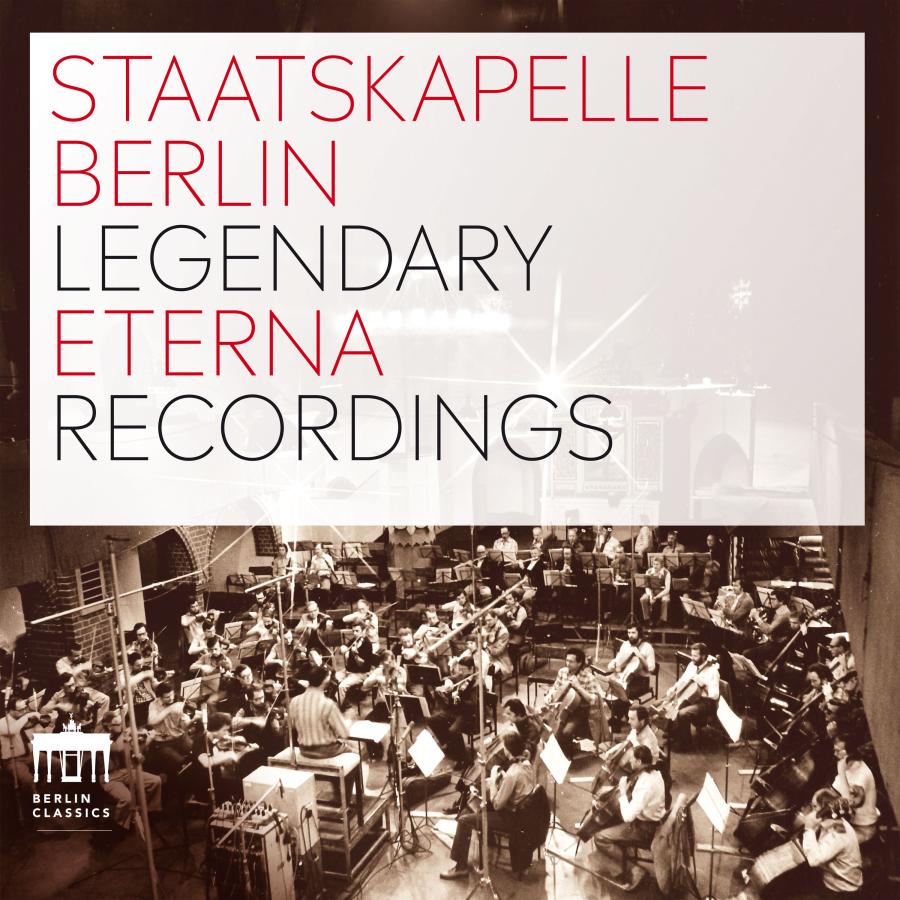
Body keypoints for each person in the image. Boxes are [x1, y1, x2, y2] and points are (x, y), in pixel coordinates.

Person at [440, 730, 535, 880]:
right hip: (523, 814)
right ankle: (488, 839)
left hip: (511, 818)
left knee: (464, 820)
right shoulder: (527, 764)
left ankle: (460, 867)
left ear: (508, 750)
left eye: (504, 747)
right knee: (470, 809)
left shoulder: (512, 774)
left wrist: (493, 781)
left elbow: (497, 804)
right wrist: (501, 779)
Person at [591, 744, 666, 891]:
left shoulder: (645, 784)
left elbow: (627, 817)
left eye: (632, 760)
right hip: (653, 820)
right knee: (613, 822)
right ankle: (622, 857)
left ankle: (633, 870)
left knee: (600, 837)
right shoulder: (656, 773)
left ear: (639, 762)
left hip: (645, 829)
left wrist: (623, 792)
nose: (630, 762)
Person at [98, 710, 163, 833]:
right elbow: (118, 748)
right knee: (127, 799)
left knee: (155, 781)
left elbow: (136, 756)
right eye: (119, 724)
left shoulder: (123, 737)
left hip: (126, 771)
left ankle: (145, 813)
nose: (123, 726)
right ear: (109, 726)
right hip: (110, 777)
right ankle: (119, 826)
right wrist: (128, 732)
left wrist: (146, 742)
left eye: (123, 723)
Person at [539, 647, 601, 757]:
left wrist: (578, 686)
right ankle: (558, 754)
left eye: (571, 661)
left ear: (579, 663)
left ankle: (566, 756)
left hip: (580, 710)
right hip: (562, 706)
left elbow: (594, 700)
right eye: (567, 660)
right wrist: (550, 696)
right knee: (547, 725)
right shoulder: (562, 672)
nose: (567, 664)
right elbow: (555, 687)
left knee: (566, 732)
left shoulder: (589, 677)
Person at [800, 795, 864, 896]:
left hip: (842, 890)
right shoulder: (837, 822)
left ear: (824, 810)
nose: (812, 811)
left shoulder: (837, 835)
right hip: (837, 881)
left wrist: (808, 829)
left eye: (814, 807)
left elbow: (813, 860)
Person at [666, 643, 720, 751]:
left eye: (695, 656)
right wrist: (674, 688)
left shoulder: (713, 671)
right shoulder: (692, 665)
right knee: (674, 706)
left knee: (683, 713)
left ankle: (686, 744)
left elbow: (715, 695)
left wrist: (703, 685)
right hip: (691, 697)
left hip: (705, 702)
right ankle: (675, 735)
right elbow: (683, 680)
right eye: (692, 655)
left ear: (703, 656)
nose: (692, 658)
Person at [426, 656, 478, 765]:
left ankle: (463, 758)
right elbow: (451, 678)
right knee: (432, 720)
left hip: (469, 713)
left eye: (463, 670)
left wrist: (460, 700)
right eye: (460, 669)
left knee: (453, 731)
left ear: (471, 669)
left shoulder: (477, 683)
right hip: (455, 709)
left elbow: (473, 705)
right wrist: (448, 682)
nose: (461, 672)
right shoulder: (462, 676)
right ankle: (449, 745)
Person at [288, 665, 349, 758]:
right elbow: (344, 733)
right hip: (326, 751)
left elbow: (292, 726)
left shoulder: (294, 701)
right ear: (325, 681)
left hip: (304, 750)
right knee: (355, 750)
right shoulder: (328, 704)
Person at [832, 737, 879, 844]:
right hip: (849, 821)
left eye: (838, 751)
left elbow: (849, 802)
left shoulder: (862, 776)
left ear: (850, 754)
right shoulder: (848, 767)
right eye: (834, 750)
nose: (835, 754)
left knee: (835, 844)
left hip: (864, 828)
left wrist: (841, 771)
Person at [145, 682, 197, 775]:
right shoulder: (153, 705)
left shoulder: (179, 703)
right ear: (159, 697)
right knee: (181, 763)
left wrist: (192, 720)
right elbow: (151, 721)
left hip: (181, 737)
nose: (172, 698)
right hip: (163, 743)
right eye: (167, 697)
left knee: (197, 753)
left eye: (172, 695)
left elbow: (185, 727)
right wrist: (170, 709)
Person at [0, 697, 40, 793]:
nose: (24, 711)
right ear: (10, 710)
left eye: (25, 708)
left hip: (30, 755)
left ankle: (46, 791)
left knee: (60, 766)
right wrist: (27, 716)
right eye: (20, 710)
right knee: (28, 780)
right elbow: (12, 730)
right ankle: (34, 798)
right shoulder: (2, 722)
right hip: (13, 760)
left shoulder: (24, 720)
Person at [337, 623, 375, 709]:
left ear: (363, 632)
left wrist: (355, 655)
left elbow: (362, 665)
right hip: (349, 671)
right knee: (331, 678)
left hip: (361, 673)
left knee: (342, 686)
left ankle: (337, 709)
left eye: (357, 631)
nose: (354, 633)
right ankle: (344, 702)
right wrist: (342, 648)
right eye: (353, 631)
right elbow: (344, 649)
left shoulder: (367, 644)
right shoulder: (355, 640)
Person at [501, 697, 543, 762]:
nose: (506, 717)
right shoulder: (518, 722)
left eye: (509, 714)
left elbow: (526, 753)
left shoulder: (532, 729)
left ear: (519, 714)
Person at [639, 557, 671, 625]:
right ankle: (647, 619)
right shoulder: (648, 571)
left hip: (662, 592)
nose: (655, 566)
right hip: (651, 591)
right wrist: (651, 596)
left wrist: (656, 597)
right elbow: (647, 586)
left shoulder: (667, 573)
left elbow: (667, 589)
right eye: (654, 564)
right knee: (643, 599)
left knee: (665, 600)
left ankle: (662, 619)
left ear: (661, 565)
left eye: (657, 564)